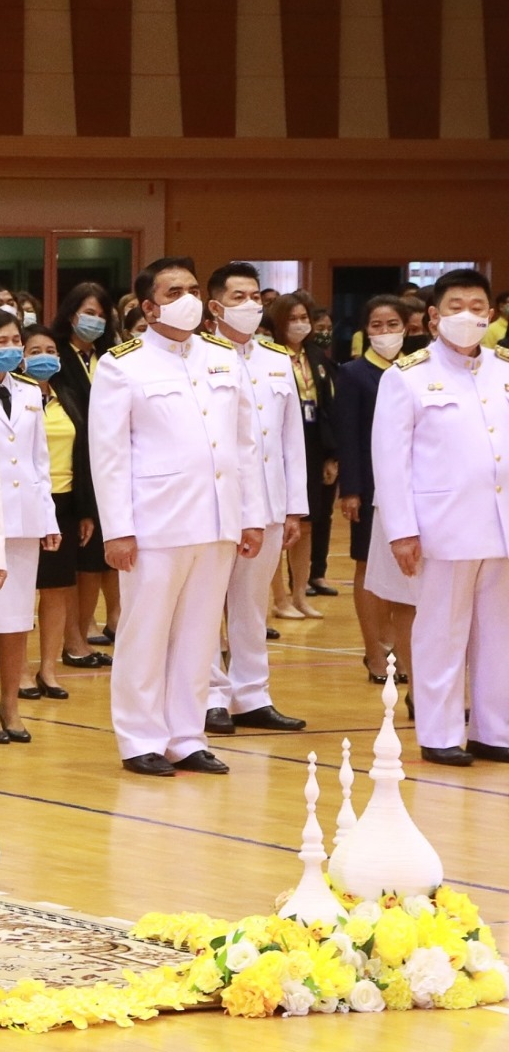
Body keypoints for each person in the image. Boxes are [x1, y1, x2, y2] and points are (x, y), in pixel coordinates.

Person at [90, 258, 264, 777]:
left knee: (199, 634)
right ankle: (140, 738)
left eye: (191, 289)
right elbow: (109, 454)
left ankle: (186, 737)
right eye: (173, 292)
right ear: (148, 307)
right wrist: (118, 529)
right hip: (154, 523)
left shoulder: (222, 357)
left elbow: (245, 445)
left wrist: (251, 514)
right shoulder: (123, 364)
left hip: (216, 519)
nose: (186, 299)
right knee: (145, 632)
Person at [370, 268, 509, 766]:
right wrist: (401, 530)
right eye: (456, 307)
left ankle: (494, 730)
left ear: (490, 314)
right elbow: (391, 461)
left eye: (477, 307)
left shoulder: (503, 370)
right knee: (442, 633)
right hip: (441, 527)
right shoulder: (407, 376)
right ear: (433, 317)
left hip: (500, 524)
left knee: (499, 635)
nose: (467, 316)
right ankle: (440, 732)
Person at [201, 265, 309, 736]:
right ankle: (209, 696)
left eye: (254, 297)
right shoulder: (198, 357)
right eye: (237, 297)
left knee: (252, 603)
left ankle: (252, 694)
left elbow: (291, 441)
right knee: (207, 604)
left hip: (267, 501)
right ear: (215, 306)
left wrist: (293, 507)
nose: (249, 305)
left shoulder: (276, 359)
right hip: (217, 502)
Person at [0, 309, 59, 744]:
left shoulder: (30, 391)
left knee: (18, 618)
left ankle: (11, 704)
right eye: (1, 341)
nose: (12, 349)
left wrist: (47, 517)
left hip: (24, 518)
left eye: (16, 340)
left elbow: (40, 461)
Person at [333, 295, 415, 689]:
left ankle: (403, 649)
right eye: (377, 325)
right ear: (366, 330)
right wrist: (350, 489)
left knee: (406, 571)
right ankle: (374, 650)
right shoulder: (353, 373)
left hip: (412, 486)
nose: (385, 332)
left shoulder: (416, 369)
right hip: (368, 486)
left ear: (407, 328)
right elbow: (347, 435)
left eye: (392, 324)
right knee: (368, 567)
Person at [16, 324, 88, 700]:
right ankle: (20, 670)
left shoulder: (69, 398)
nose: (44, 357)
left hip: (64, 503)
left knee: (57, 589)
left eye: (50, 351)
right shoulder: (11, 398)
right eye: (34, 351)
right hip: (23, 503)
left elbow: (85, 455)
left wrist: (87, 511)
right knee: (22, 589)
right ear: (20, 358)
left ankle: (48, 668)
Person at [49, 281, 118, 665]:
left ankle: (84, 632)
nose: (95, 320)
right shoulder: (56, 356)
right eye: (89, 313)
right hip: (74, 466)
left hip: (110, 466)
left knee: (96, 561)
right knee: (74, 561)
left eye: (102, 315)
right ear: (71, 313)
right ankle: (72, 639)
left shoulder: (111, 357)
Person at [268, 294, 338, 618]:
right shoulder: (270, 356)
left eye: (303, 318)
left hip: (313, 443)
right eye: (292, 319)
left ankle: (299, 594)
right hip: (278, 445)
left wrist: (331, 455)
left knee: (307, 525)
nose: (300, 324)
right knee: (276, 528)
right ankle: (279, 599)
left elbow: (328, 406)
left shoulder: (316, 357)